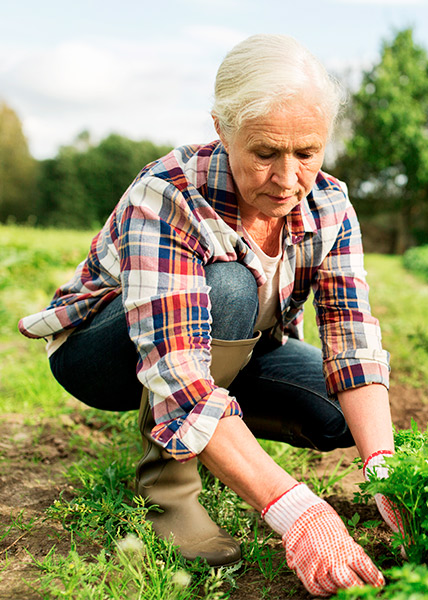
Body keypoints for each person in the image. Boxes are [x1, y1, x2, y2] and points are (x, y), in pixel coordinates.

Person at [19, 34, 402, 597]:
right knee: (228, 287)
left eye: (307, 153)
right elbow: (176, 368)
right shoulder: (169, 195)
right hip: (104, 353)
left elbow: (350, 336)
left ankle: (222, 431)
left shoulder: (331, 204)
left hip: (236, 347)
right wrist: (295, 509)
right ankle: (169, 485)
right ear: (223, 130)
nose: (289, 178)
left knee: (338, 414)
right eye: (266, 153)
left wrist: (385, 468)